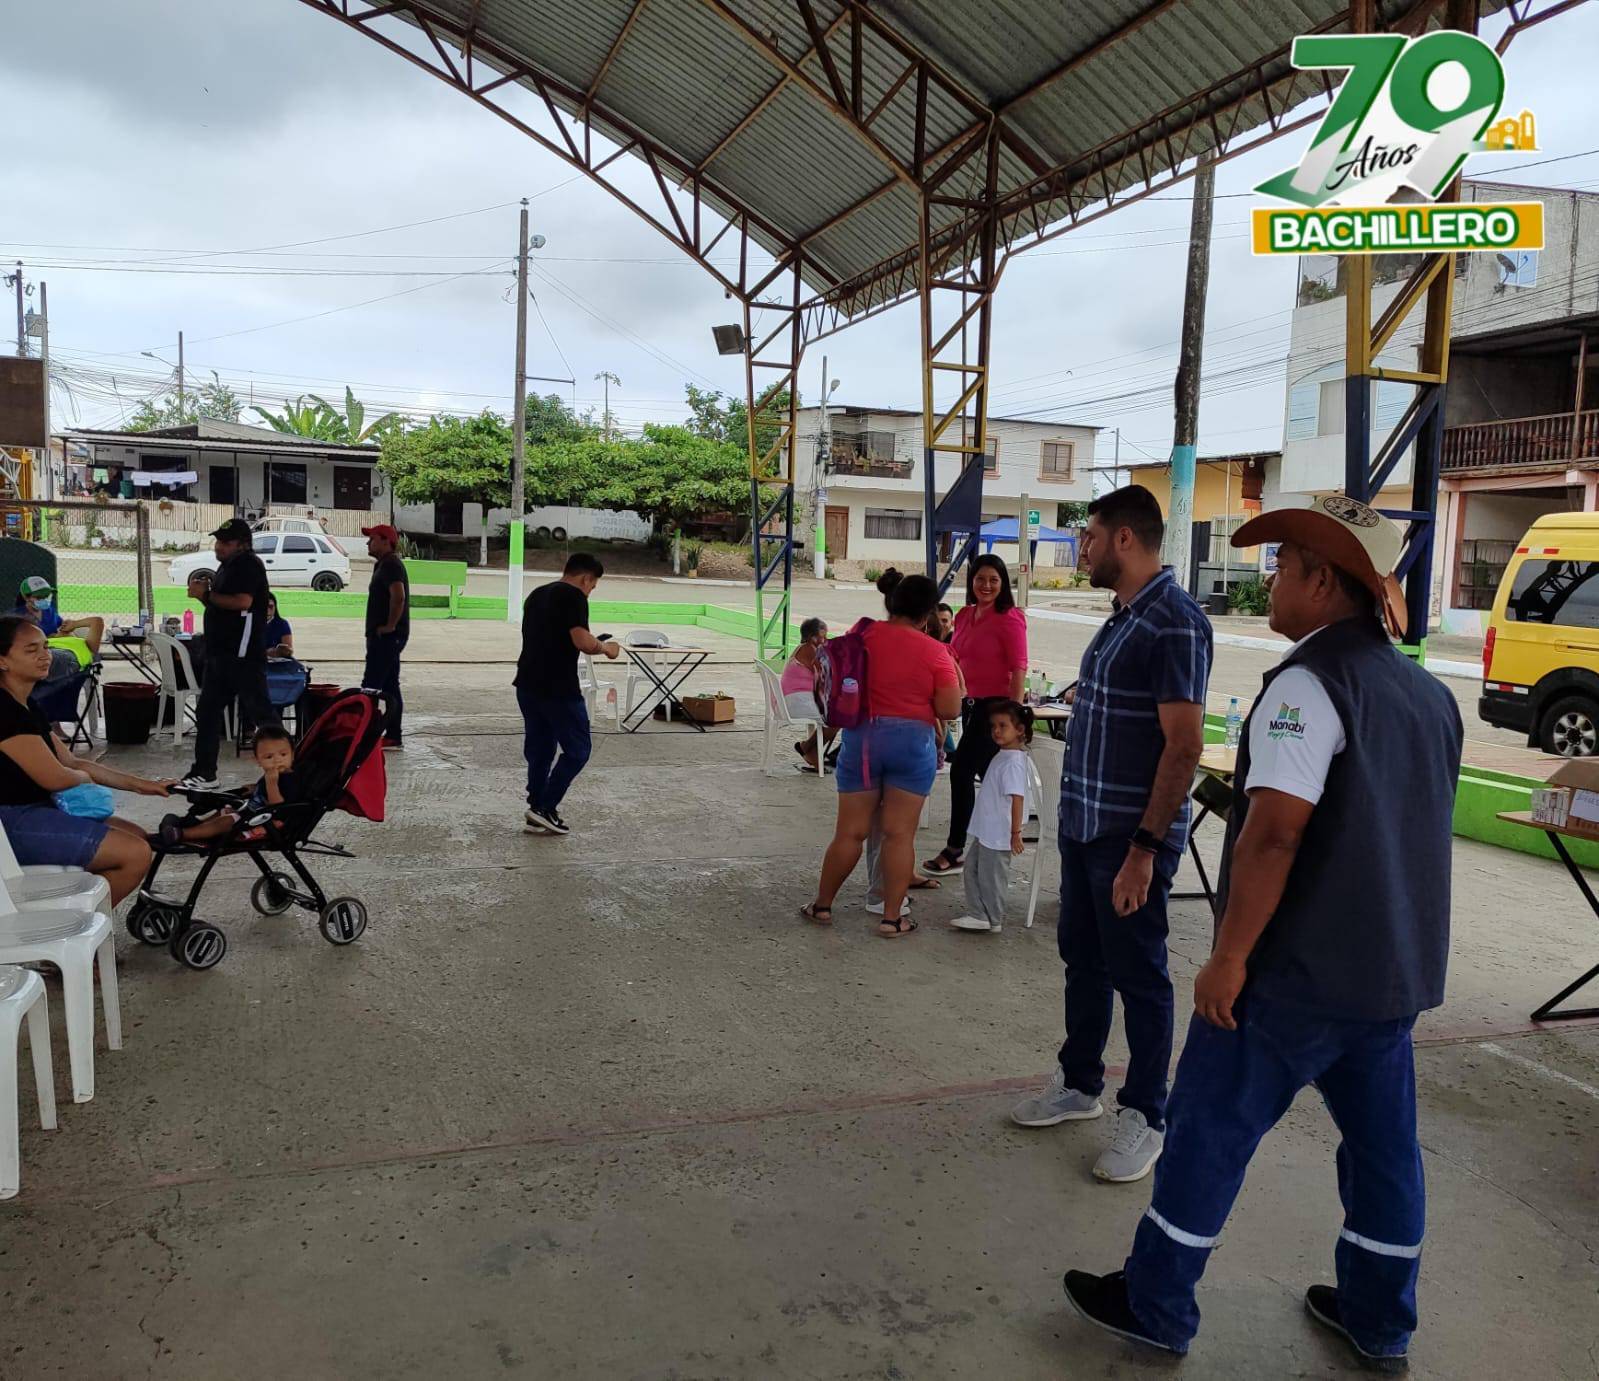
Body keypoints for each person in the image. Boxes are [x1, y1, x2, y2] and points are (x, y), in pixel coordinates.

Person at [1062, 496, 1463, 1374]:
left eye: (1281, 566)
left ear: (1323, 581)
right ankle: (1378, 1320)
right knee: (1384, 1154)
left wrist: (1230, 956)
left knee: (1207, 1129)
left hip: (1292, 976)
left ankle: (1156, 1303)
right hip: (1390, 976)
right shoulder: (1427, 695)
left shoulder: (1306, 687)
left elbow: (1274, 833)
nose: (1269, 580)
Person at [1010, 484, 1211, 1185]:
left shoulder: (1173, 622)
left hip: (1129, 838)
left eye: (1089, 536)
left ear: (1124, 538)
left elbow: (1183, 745)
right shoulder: (1123, 617)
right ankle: (1079, 1083)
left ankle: (1147, 1114)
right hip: (1086, 825)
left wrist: (1144, 851)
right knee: (1084, 962)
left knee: (1140, 976)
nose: (1083, 549)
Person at [800, 573, 960, 938]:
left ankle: (822, 906)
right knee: (898, 835)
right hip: (913, 744)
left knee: (850, 832)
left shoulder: (864, 636)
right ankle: (891, 918)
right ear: (927, 613)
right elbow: (950, 709)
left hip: (864, 740)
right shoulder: (935, 651)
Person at [0, 616, 171, 903]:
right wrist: (83, 779)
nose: (45, 655)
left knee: (139, 836)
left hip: (38, 810)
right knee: (134, 853)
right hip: (12, 822)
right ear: (2, 661)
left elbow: (72, 762)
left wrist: (143, 785)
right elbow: (56, 777)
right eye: (31, 650)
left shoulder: (26, 704)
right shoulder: (5, 710)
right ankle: (82, 923)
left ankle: (79, 910)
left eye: (46, 647)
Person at [922, 554, 1028, 877]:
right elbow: (955, 654)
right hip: (971, 704)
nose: (986, 585)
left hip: (996, 708)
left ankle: (956, 848)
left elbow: (1019, 668)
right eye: (980, 579)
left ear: (1003, 583)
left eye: (994, 580)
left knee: (962, 771)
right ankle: (994, 844)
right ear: (971, 581)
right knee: (991, 777)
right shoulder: (966, 615)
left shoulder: (1010, 618)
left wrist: (1013, 717)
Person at [516, 552, 620, 836]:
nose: (590, 591)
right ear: (586, 578)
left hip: (527, 684)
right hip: (558, 687)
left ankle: (536, 809)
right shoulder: (574, 597)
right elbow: (582, 641)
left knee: (540, 750)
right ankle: (545, 807)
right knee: (578, 750)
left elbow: (551, 636)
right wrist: (606, 649)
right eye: (592, 586)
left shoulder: (537, 594)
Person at [180, 518, 275, 793]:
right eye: (218, 541)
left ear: (242, 544)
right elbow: (222, 606)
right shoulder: (227, 565)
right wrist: (205, 596)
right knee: (208, 711)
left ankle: (285, 771)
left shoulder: (247, 564)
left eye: (226, 542)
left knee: (261, 712)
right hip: (222, 654)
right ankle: (204, 772)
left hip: (241, 655)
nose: (219, 546)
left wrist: (206, 595)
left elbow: (242, 602)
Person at [949, 700, 1034, 935]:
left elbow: (1017, 799)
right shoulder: (1002, 756)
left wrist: (1015, 833)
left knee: (992, 876)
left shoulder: (1014, 763)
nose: (996, 731)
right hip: (988, 829)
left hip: (999, 832)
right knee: (973, 869)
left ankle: (992, 917)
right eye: (993, 726)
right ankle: (978, 913)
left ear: (1020, 730)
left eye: (1003, 726)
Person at [158, 725, 298, 847]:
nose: (277, 760)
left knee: (228, 820)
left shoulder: (289, 780)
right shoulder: (271, 775)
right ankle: (195, 826)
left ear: (292, 755)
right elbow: (262, 792)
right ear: (258, 760)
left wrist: (271, 784)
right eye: (269, 757)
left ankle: (183, 834)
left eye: (283, 754)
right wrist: (256, 787)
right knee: (224, 810)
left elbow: (278, 808)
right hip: (251, 813)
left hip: (267, 822)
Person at [361, 524, 409, 750]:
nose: (368, 543)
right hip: (384, 636)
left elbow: (398, 596)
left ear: (385, 541)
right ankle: (393, 735)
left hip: (387, 637)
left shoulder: (391, 565)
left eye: (372, 539)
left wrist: (390, 625)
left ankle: (366, 733)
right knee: (390, 686)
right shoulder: (383, 564)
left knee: (370, 686)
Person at [15, 575, 104, 684]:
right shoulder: (18, 617)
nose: (44, 600)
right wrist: (53, 637)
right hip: (44, 652)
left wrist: (69, 625)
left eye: (47, 595)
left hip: (62, 649)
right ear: (26, 598)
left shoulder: (48, 611)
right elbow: (23, 645)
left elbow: (61, 625)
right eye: (39, 597)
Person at [781, 617, 835, 771]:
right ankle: (807, 748)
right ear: (811, 637)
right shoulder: (809, 650)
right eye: (822, 637)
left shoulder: (805, 648)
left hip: (795, 699)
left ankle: (809, 750)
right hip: (795, 702)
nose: (825, 640)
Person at [262, 593, 294, 660]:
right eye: (264, 606)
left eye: (271, 607)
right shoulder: (251, 623)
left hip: (278, 662)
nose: (268, 610)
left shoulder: (282, 624)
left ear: (275, 607)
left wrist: (285, 651)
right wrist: (267, 652)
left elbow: (289, 649)